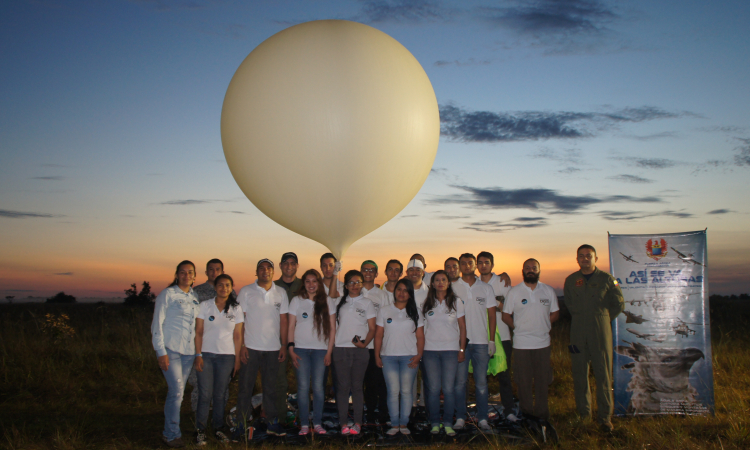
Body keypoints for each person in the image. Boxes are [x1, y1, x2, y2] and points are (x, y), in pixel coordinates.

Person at [563, 244, 625, 431]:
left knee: (603, 375)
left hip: (600, 332)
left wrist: (603, 318)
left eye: (588, 256)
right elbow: (569, 303)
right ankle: (584, 414)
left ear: (595, 258)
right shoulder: (571, 280)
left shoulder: (607, 279)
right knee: (580, 376)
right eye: (581, 256)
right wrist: (583, 317)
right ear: (577, 259)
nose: (585, 259)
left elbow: (619, 303)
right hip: (578, 332)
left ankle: (605, 417)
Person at [235, 259, 289, 438]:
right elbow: (239, 321)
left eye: (269, 268)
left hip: (273, 348)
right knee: (245, 387)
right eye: (262, 268)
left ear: (273, 272)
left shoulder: (280, 292)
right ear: (256, 272)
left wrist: (283, 344)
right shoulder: (246, 291)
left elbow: (283, 320)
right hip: (250, 347)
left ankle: (271, 423)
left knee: (270, 388)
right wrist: (241, 345)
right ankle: (240, 424)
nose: (265, 271)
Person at [502, 258, 559, 421]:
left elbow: (555, 313)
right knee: (523, 381)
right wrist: (518, 327)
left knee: (542, 381)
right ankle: (526, 415)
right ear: (522, 271)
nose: (530, 270)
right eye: (527, 268)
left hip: (543, 344)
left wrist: (544, 324)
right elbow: (506, 315)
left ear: (539, 270)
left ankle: (542, 415)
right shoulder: (514, 292)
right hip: (521, 345)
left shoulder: (548, 291)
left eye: (534, 267)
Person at [151, 260, 200, 448]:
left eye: (190, 272)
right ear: (176, 274)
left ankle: (170, 429)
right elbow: (157, 324)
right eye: (183, 272)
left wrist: (198, 353)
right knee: (177, 391)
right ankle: (171, 434)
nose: (186, 275)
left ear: (195, 276)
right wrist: (160, 351)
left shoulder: (194, 297)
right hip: (171, 350)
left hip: (188, 353)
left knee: (178, 392)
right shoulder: (168, 294)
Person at [194, 274, 243, 445]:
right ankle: (200, 430)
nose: (224, 288)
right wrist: (198, 355)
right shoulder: (205, 306)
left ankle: (218, 428)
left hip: (227, 357)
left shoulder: (236, 308)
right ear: (215, 287)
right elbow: (198, 332)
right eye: (220, 285)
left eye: (227, 285)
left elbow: (237, 335)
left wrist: (237, 360)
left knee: (220, 394)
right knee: (205, 394)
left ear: (231, 287)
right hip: (206, 355)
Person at [287, 269, 337, 436]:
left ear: (319, 283)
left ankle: (317, 422)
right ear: (304, 284)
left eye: (314, 281)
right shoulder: (296, 301)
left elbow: (332, 329)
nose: (311, 284)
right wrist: (291, 349)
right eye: (307, 281)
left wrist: (329, 352)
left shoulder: (328, 301)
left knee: (318, 387)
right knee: (302, 388)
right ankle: (303, 424)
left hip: (320, 351)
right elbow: (291, 326)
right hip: (300, 350)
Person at [452, 253, 496, 432]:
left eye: (470, 263)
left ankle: (483, 418)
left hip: (481, 342)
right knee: (460, 383)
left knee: (481, 383)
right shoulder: (453, 287)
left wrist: (491, 340)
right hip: (460, 343)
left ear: (475, 265)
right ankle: (461, 417)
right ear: (459, 267)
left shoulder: (485, 288)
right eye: (463, 263)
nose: (466, 266)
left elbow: (492, 316)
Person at [375, 278, 425, 436]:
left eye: (405, 290)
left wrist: (419, 356)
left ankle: (404, 423)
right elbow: (378, 336)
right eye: (399, 289)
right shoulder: (384, 310)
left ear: (410, 294)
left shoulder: (416, 311)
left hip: (409, 357)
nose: (402, 293)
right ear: (394, 291)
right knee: (393, 391)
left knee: (406, 391)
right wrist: (377, 355)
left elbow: (421, 337)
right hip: (388, 356)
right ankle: (394, 424)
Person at [421, 270, 466, 436]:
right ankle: (434, 422)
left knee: (448, 389)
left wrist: (462, 350)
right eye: (437, 280)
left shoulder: (456, 302)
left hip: (450, 351)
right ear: (432, 284)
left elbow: (462, 327)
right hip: (430, 352)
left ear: (448, 283)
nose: (440, 282)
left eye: (443, 280)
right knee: (432, 389)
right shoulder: (427, 303)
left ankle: (447, 422)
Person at [333, 270, 376, 435]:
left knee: (357, 387)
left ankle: (358, 423)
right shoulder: (339, 302)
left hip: (359, 352)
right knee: (343, 388)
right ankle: (343, 424)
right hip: (340, 349)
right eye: (351, 282)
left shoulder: (367, 303)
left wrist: (364, 344)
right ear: (346, 285)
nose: (355, 285)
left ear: (362, 284)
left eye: (358, 282)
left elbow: (372, 329)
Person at [190, 258, 234, 413]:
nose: (214, 272)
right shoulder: (198, 291)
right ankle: (199, 417)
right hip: (203, 347)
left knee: (222, 387)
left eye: (217, 269)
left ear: (222, 271)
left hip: (224, 349)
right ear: (206, 272)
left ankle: (218, 417)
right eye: (211, 269)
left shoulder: (230, 292)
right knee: (200, 385)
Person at [477, 251, 516, 421]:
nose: (483, 265)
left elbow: (512, 307)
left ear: (492, 265)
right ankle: (482, 412)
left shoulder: (502, 281)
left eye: (487, 262)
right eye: (480, 262)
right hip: (480, 337)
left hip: (503, 336)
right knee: (480, 378)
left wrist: (496, 303)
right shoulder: (474, 284)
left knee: (504, 375)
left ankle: (509, 410)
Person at [360, 260, 391, 425]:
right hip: (359, 345)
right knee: (365, 383)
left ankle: (383, 414)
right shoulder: (356, 290)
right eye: (365, 270)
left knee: (379, 382)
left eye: (371, 270)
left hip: (376, 346)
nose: (368, 273)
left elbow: (385, 319)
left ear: (376, 274)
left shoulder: (382, 294)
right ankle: (369, 414)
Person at [273, 251, 301, 426]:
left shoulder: (305, 285)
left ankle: (302, 418)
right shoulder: (273, 285)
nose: (289, 266)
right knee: (279, 381)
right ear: (281, 266)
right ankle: (280, 417)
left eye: (293, 263)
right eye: (286, 263)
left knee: (303, 381)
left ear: (297, 266)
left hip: (302, 340)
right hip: (279, 341)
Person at [405, 258, 429, 408]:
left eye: (417, 270)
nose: (414, 273)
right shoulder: (402, 291)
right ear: (407, 273)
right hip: (408, 342)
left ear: (423, 272)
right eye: (411, 270)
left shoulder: (430, 292)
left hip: (428, 341)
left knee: (427, 377)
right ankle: (411, 405)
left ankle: (426, 406)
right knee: (410, 378)